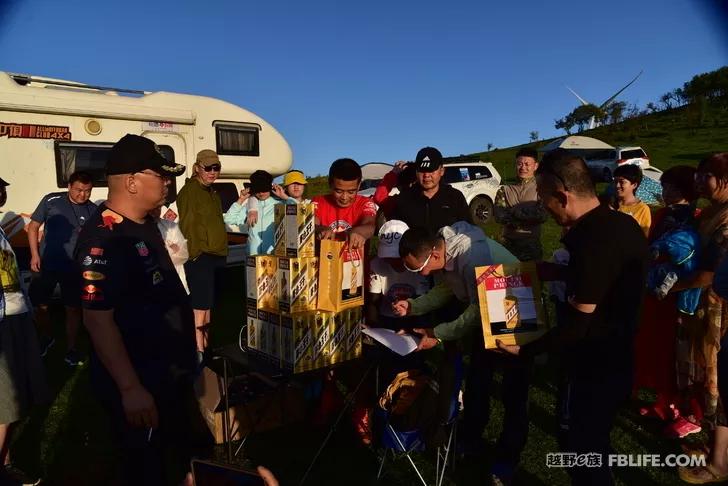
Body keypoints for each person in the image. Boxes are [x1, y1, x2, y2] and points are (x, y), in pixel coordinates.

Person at [496, 149, 648, 485]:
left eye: (545, 200)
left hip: (595, 365)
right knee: (594, 446)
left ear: (562, 196)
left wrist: (526, 349)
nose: (543, 210)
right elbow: (605, 281)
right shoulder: (621, 224)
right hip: (619, 356)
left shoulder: (593, 241)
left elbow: (579, 324)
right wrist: (547, 271)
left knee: (583, 450)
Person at [75, 134, 212, 486]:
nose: (168, 183)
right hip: (142, 381)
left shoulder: (146, 223)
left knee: (184, 460)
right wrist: (130, 387)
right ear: (132, 182)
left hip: (169, 373)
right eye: (161, 176)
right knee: (147, 469)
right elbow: (97, 319)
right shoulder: (102, 238)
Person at [392, 222, 527, 483]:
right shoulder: (446, 254)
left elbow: (478, 311)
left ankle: (507, 459)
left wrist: (437, 333)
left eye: (418, 269)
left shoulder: (472, 258)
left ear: (434, 254)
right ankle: (471, 442)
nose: (419, 274)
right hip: (490, 313)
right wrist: (413, 306)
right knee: (477, 383)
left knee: (513, 394)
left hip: (516, 313)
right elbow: (446, 289)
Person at [633, 165, 702, 438]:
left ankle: (688, 411)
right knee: (657, 348)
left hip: (679, 295)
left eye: (668, 186)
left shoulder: (696, 218)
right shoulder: (662, 214)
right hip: (656, 292)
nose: (664, 191)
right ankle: (664, 402)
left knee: (678, 353)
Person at [676, 153, 728, 484]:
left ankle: (720, 461)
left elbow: (712, 273)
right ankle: (716, 451)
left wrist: (673, 286)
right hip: (703, 308)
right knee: (710, 380)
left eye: (705, 175)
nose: (698, 181)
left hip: (719, 311)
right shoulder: (710, 212)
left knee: (718, 381)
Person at [0, 177, 49, 486]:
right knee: (5, 399)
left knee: (17, 394)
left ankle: (6, 461)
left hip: (16, 317)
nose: (1, 193)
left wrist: (29, 311)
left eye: (1, 188)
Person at [26, 170, 96, 366]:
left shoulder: (92, 210)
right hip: (46, 263)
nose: (83, 195)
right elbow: (33, 227)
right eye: (78, 190)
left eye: (87, 191)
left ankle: (71, 349)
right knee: (41, 305)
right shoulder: (51, 201)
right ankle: (46, 337)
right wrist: (34, 254)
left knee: (73, 308)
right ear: (69, 187)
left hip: (74, 268)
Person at [176, 149, 228, 362]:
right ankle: (198, 351)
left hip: (215, 255)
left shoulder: (212, 193)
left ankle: (207, 346)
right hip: (201, 257)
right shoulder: (190, 192)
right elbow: (187, 225)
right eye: (208, 168)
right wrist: (195, 255)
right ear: (197, 168)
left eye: (216, 168)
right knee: (199, 305)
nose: (212, 172)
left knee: (208, 304)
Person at [367, 220, 431, 330]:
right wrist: (374, 327)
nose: (393, 261)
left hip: (414, 316)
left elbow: (423, 301)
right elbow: (374, 301)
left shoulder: (420, 265)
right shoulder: (376, 264)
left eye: (397, 257)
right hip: (386, 318)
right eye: (388, 257)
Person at [392, 147, 470, 233]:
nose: (426, 175)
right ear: (416, 172)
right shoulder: (404, 199)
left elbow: (469, 231)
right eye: (422, 171)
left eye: (431, 170)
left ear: (442, 171)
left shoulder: (455, 197)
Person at [494, 148, 547, 261]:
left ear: (535, 166)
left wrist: (514, 211)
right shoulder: (505, 190)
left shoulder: (541, 188)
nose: (523, 167)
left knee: (532, 277)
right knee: (508, 277)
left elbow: (542, 215)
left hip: (530, 245)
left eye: (527, 164)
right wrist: (527, 213)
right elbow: (499, 216)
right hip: (507, 244)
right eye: (519, 164)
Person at [312, 158, 376, 252]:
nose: (344, 197)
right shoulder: (318, 202)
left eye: (351, 192)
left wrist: (358, 232)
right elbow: (311, 225)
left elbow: (370, 225)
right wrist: (320, 229)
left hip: (356, 265)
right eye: (339, 191)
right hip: (324, 265)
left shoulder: (366, 203)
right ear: (330, 184)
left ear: (359, 186)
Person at [224, 170, 291, 255]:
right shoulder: (250, 207)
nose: (261, 193)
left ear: (270, 188)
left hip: (273, 257)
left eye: (264, 189)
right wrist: (241, 199)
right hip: (253, 259)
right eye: (258, 190)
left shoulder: (280, 204)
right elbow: (229, 219)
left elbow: (301, 211)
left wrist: (284, 196)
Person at [151, 207, 190, 294]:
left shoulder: (171, 226)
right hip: (155, 283)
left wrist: (164, 250)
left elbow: (183, 255)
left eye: (158, 208)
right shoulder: (138, 231)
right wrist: (171, 248)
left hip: (177, 279)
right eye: (152, 208)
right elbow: (145, 256)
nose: (155, 211)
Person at [613, 164, 651, 237]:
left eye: (622, 182)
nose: (617, 185)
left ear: (634, 185)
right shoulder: (609, 204)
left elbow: (643, 237)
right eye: (615, 181)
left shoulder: (642, 209)